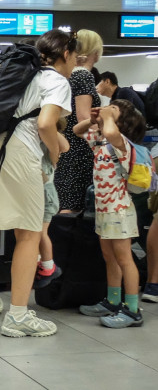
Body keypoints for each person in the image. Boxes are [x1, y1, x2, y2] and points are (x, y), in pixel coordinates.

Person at [0, 28, 75, 338]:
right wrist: (53, 153)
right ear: (66, 54)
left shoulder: (13, 70)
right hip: (15, 152)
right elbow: (45, 123)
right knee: (29, 233)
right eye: (74, 57)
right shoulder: (55, 80)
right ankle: (19, 316)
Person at [76, 99, 147, 328]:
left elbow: (110, 130)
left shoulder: (121, 143)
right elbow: (78, 131)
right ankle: (113, 301)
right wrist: (94, 119)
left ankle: (133, 310)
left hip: (119, 211)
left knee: (124, 258)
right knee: (109, 257)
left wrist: (106, 118)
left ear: (122, 122)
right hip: (104, 211)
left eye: (113, 109)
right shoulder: (102, 142)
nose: (108, 110)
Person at [54, 29, 103, 213]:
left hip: (65, 144)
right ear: (95, 52)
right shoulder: (83, 76)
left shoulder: (67, 74)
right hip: (79, 150)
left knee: (64, 201)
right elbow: (84, 118)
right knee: (74, 204)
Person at [34, 118, 70, 289]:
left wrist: (49, 127)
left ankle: (48, 266)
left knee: (40, 233)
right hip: (39, 193)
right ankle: (41, 262)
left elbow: (65, 146)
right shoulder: (37, 140)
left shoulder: (51, 144)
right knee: (35, 233)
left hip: (46, 194)